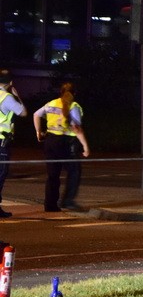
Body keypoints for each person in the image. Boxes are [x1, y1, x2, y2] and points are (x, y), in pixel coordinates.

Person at [33, 82, 90, 212]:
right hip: (66, 142)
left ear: (60, 92)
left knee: (53, 175)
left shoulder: (51, 103)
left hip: (50, 141)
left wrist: (38, 132)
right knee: (74, 171)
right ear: (74, 94)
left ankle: (50, 205)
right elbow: (76, 128)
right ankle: (68, 201)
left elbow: (36, 115)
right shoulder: (74, 106)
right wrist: (85, 146)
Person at [0, 70, 28, 218]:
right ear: (10, 83)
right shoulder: (7, 97)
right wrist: (17, 96)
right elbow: (23, 113)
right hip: (1, 142)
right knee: (1, 173)